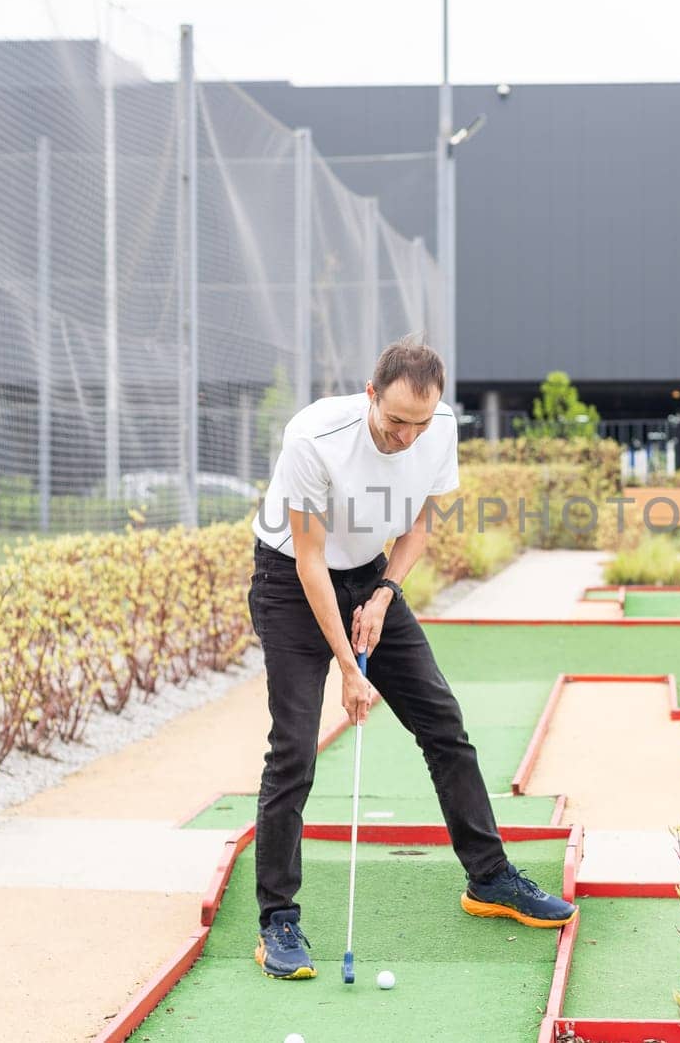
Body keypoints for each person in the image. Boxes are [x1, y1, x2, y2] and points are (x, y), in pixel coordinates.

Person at [247, 336, 577, 981]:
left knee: (444, 726)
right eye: (395, 421)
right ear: (371, 395)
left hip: (370, 576)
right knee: (293, 748)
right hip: (291, 582)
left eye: (418, 424)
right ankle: (277, 920)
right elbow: (310, 559)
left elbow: (418, 524)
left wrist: (384, 594)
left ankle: (490, 878)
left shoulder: (437, 429)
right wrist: (347, 663)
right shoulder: (315, 437)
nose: (405, 436)